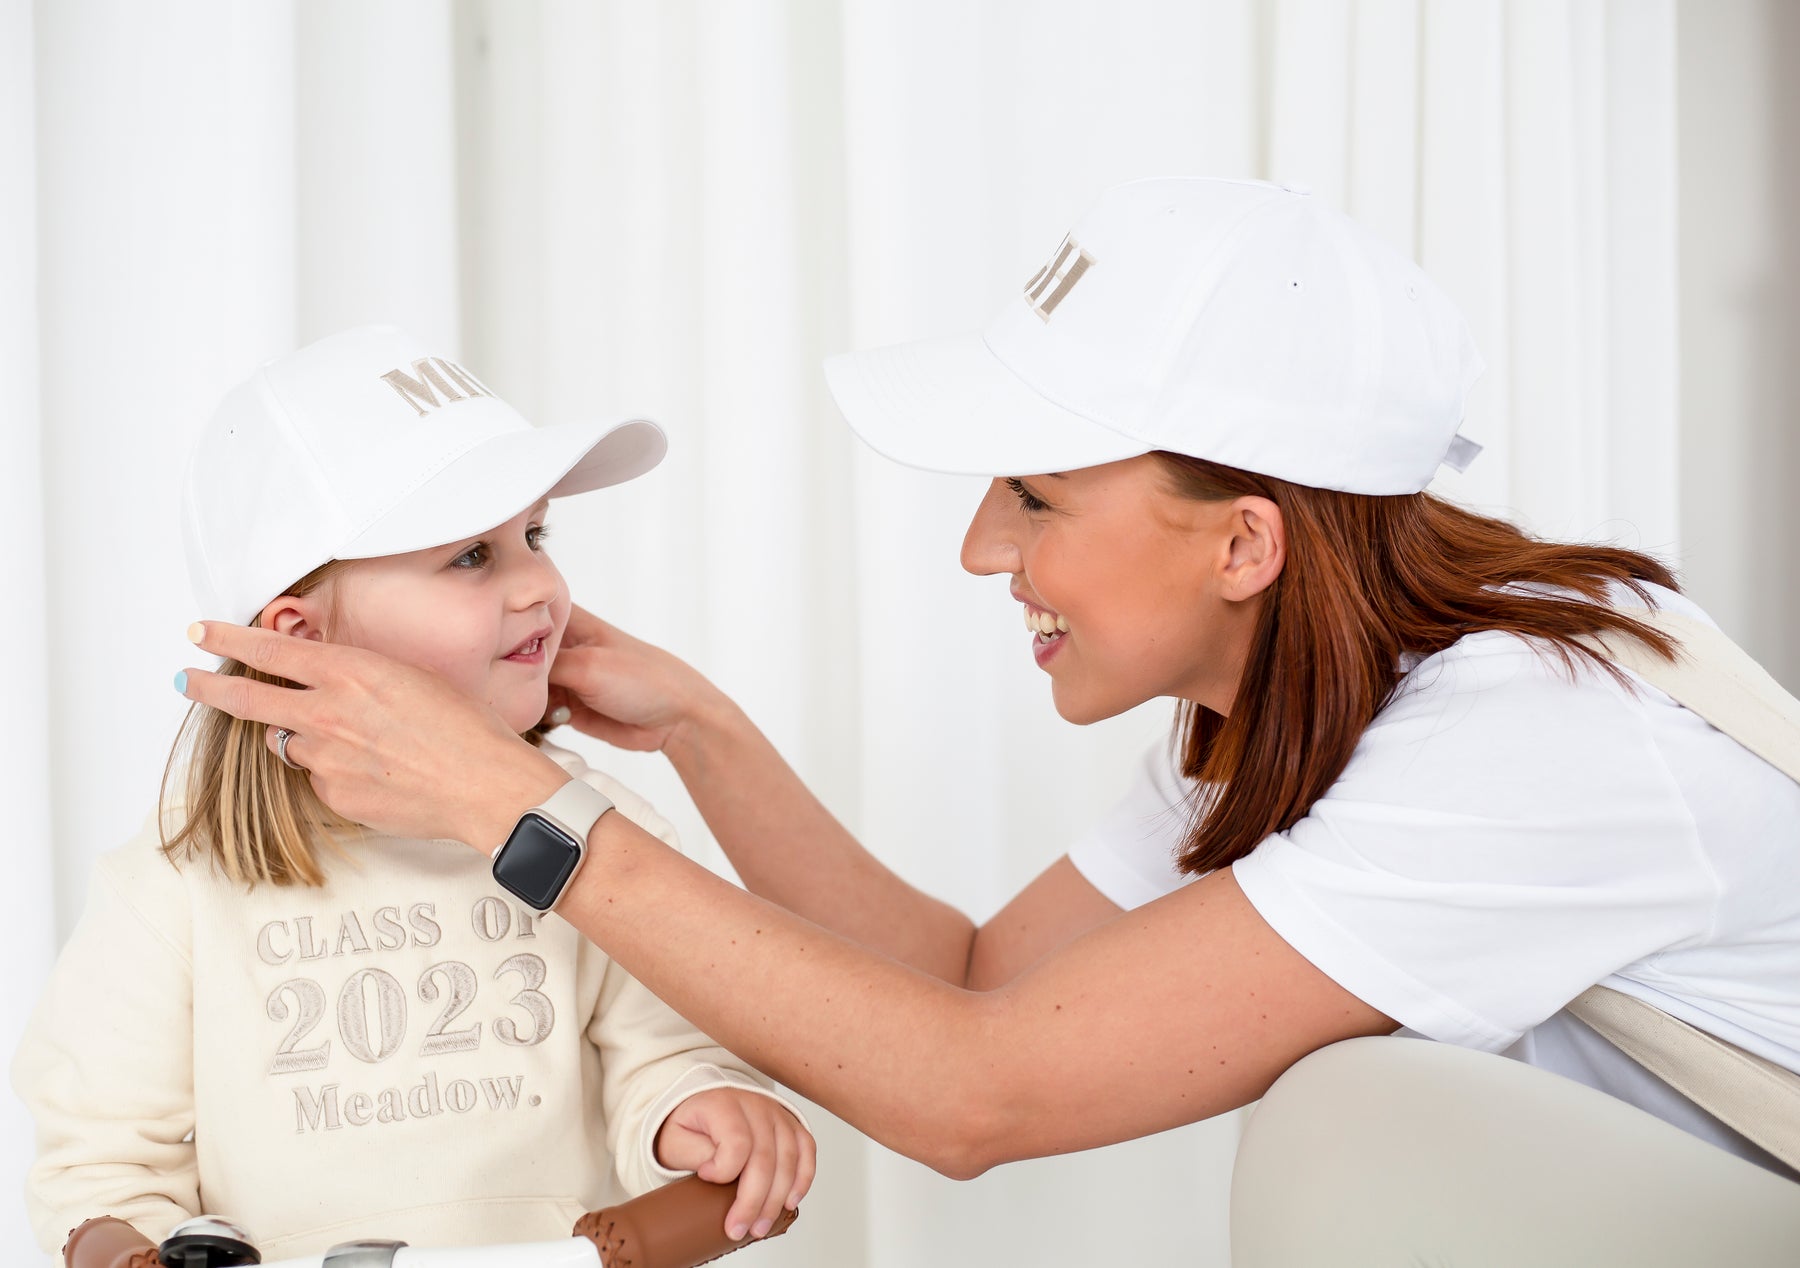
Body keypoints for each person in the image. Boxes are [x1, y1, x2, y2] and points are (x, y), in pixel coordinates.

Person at [175, 181, 1800, 1263]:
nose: (978, 548)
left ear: (1244, 543)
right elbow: (973, 984)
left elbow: (974, 1093)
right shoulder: (1295, 705)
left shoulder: (1532, 746)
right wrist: (704, 733)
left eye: (1033, 493)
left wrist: (510, 809)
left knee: (1359, 1116)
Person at [15, 327, 814, 1261]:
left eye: (535, 535)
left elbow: (661, 1049)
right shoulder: (177, 884)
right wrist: (121, 1245)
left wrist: (697, 1105)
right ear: (301, 637)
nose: (543, 586)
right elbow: (104, 1162)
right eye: (473, 556)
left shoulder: (603, 836)